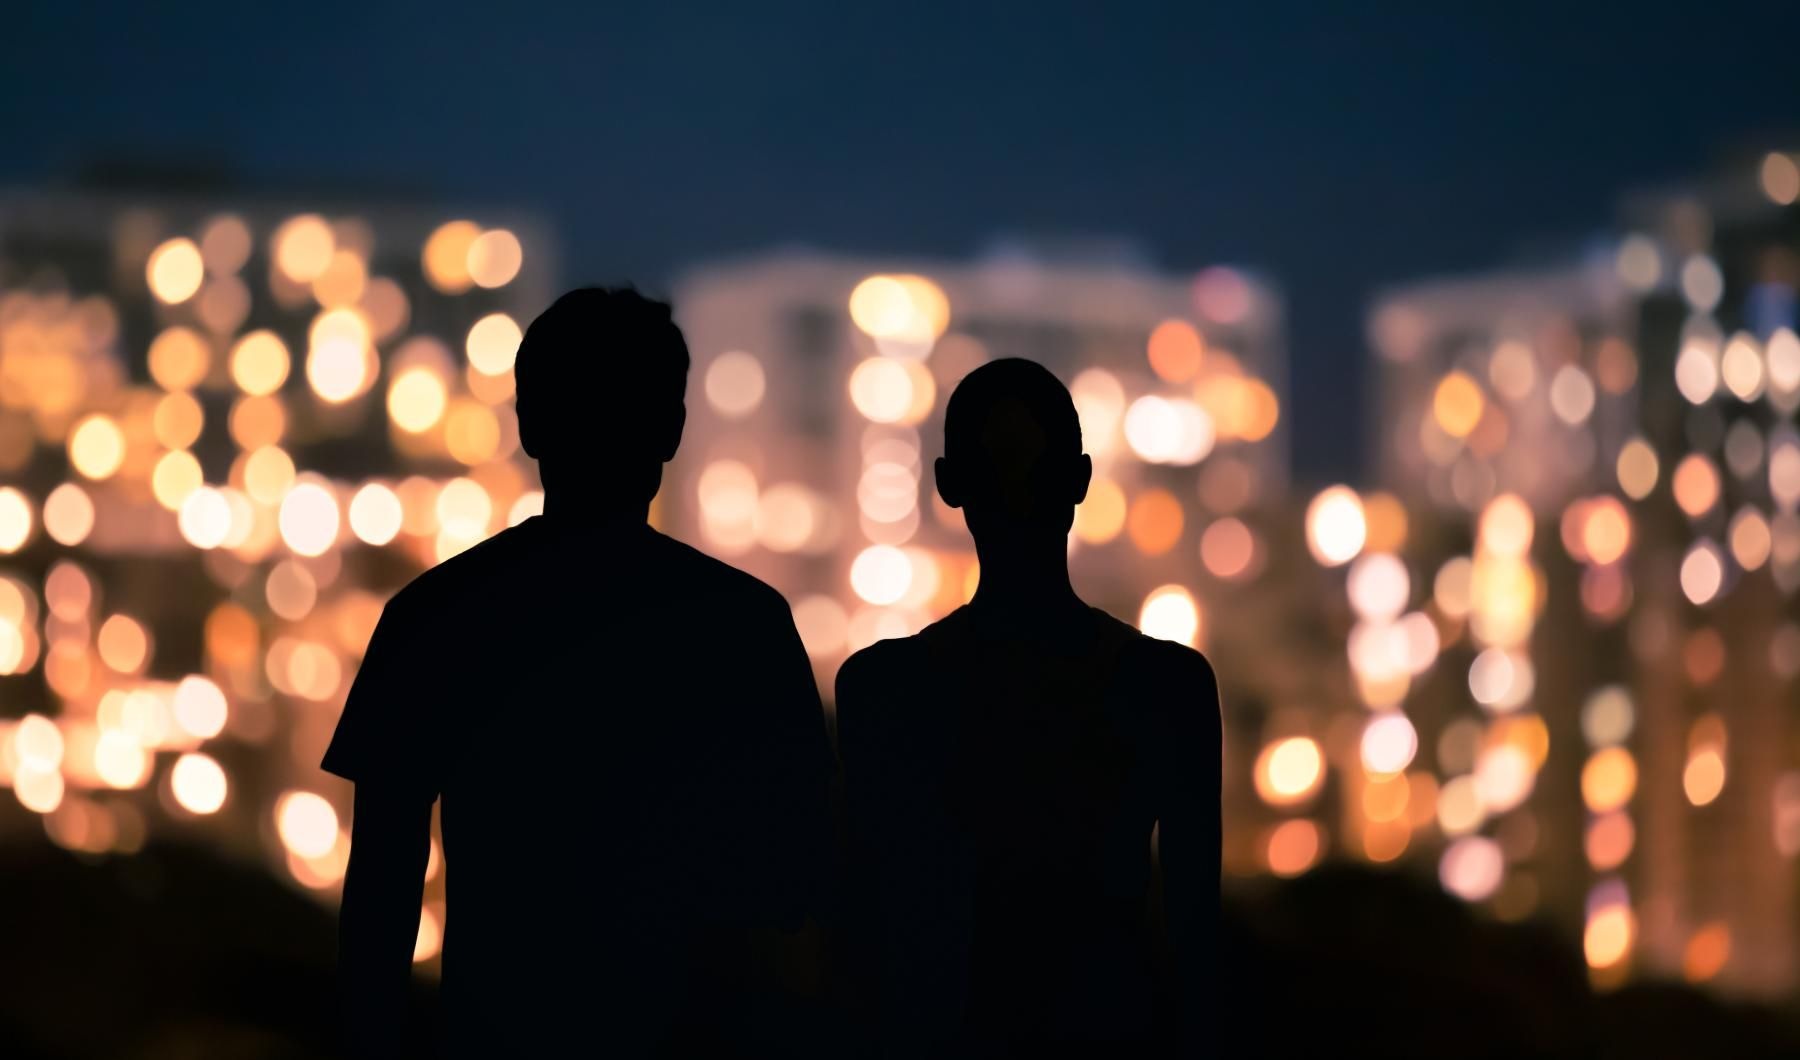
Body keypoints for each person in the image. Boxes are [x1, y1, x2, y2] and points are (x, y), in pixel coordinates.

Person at [325, 288, 835, 1058]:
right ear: (672, 429)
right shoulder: (744, 626)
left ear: (529, 424)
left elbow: (380, 891)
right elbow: (795, 887)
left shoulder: (436, 615)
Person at [836, 358, 1220, 1057]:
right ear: (1078, 480)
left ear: (949, 487)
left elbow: (867, 939)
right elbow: (1197, 950)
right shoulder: (1168, 687)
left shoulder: (882, 691)